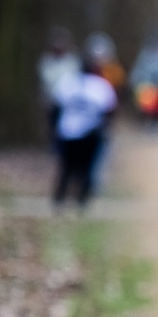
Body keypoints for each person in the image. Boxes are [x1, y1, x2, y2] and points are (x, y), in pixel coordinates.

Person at [50, 53, 118, 209]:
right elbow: (110, 110)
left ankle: (59, 198)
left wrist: (55, 127)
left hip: (67, 131)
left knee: (66, 167)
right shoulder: (100, 85)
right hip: (90, 133)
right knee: (87, 168)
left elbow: (55, 107)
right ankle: (82, 200)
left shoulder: (67, 83)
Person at [38, 27, 81, 145]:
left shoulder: (73, 62)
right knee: (54, 129)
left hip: (69, 104)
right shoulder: (46, 62)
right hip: (52, 103)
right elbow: (44, 84)